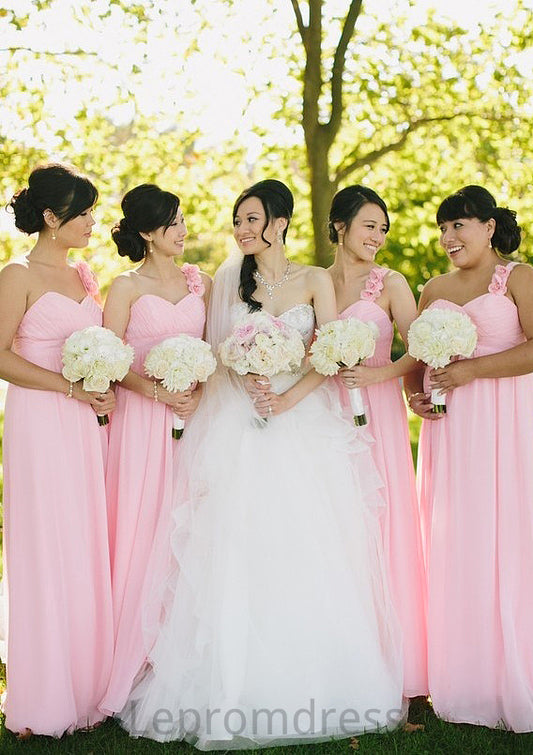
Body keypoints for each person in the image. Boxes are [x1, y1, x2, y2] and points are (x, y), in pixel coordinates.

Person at [119, 179, 405, 749]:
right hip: (239, 426)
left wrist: (287, 398)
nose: (241, 230)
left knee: (308, 543)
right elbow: (218, 357)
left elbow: (329, 353)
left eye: (251, 219)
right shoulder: (227, 282)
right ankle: (231, 681)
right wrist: (244, 377)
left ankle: (318, 680)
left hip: (303, 423)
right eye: (237, 220)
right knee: (237, 546)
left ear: (279, 222)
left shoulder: (314, 279)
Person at [409, 185, 533, 731]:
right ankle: (462, 674)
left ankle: (513, 671)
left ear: (489, 227)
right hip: (451, 430)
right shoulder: (433, 288)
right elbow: (417, 360)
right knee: (457, 538)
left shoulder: (519, 277)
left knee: (507, 535)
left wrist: (470, 371)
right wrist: (413, 395)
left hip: (507, 423)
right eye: (443, 228)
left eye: (458, 225)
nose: (448, 237)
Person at [0, 163, 115, 737]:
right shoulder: (16, 275)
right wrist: (69, 388)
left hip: (85, 422)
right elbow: (0, 356)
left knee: (83, 539)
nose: (93, 222)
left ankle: (87, 687)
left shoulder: (84, 276)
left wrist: (100, 387)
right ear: (51, 217)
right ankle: (42, 698)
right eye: (84, 212)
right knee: (45, 543)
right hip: (40, 421)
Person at [99, 184, 210, 716]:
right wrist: (157, 392)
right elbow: (109, 360)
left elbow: (214, 351)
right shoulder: (124, 287)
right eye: (172, 223)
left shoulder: (199, 283)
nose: (182, 230)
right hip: (141, 422)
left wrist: (198, 392)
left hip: (194, 418)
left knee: (186, 529)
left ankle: (180, 657)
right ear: (146, 232)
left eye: (182, 219)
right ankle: (131, 657)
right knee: (142, 529)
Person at [328, 185, 428, 700]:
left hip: (379, 413)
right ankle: (341, 657)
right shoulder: (315, 282)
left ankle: (399, 667)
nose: (378, 237)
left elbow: (421, 347)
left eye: (383, 229)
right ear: (340, 226)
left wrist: (378, 374)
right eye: (370, 226)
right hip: (325, 416)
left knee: (382, 525)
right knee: (336, 526)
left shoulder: (391, 283)